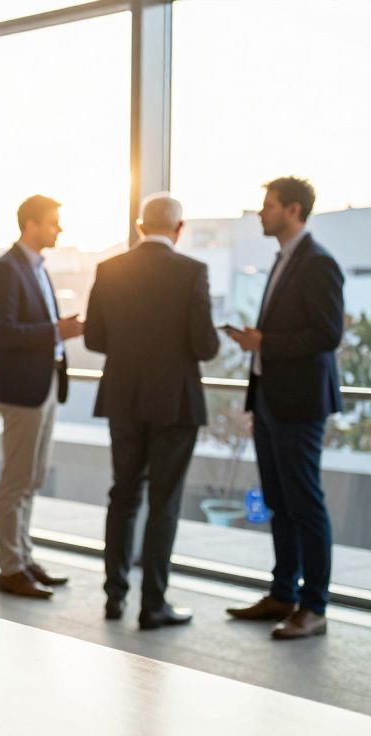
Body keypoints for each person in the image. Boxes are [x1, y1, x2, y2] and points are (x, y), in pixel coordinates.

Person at [85, 193, 219, 629]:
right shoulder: (192, 272)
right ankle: (153, 604)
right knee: (164, 503)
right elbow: (205, 346)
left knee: (123, 495)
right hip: (175, 403)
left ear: (141, 226)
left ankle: (113, 598)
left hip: (124, 397)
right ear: (178, 229)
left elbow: (93, 339)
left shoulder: (110, 268)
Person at [225, 177, 343, 640]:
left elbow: (328, 335)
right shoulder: (284, 259)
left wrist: (265, 342)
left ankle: (313, 607)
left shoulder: (318, 263)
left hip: (299, 403)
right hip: (271, 397)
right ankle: (282, 593)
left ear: (293, 209)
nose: (261, 213)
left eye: (268, 205)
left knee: (304, 502)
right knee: (278, 500)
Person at [0, 195, 84, 598]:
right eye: (53, 223)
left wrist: (57, 332)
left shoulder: (36, 267)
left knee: (32, 477)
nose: (58, 230)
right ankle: (11, 568)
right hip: (22, 390)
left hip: (42, 385)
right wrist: (57, 330)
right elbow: (5, 334)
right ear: (30, 225)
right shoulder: (6, 270)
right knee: (17, 480)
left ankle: (22, 556)